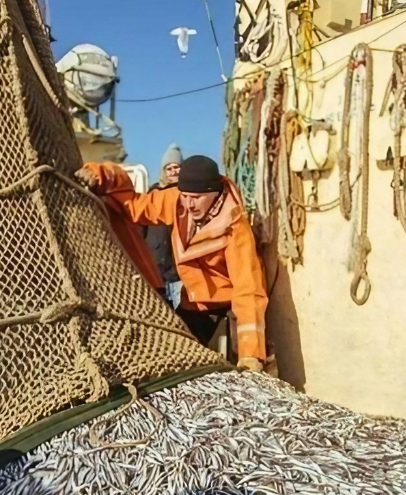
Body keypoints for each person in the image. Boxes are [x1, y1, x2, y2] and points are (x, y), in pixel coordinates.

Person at [79, 156, 268, 372]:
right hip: (193, 303)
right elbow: (135, 206)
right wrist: (101, 175)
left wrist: (251, 354)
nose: (189, 204)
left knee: (242, 368)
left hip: (226, 304)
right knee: (178, 359)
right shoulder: (176, 200)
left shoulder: (235, 228)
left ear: (215, 194)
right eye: (185, 196)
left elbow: (249, 291)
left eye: (196, 198)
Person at [145, 144, 182, 307]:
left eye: (177, 167)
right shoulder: (152, 196)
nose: (173, 171)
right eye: (169, 168)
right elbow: (139, 231)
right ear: (163, 172)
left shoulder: (189, 197)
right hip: (155, 275)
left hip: (179, 276)